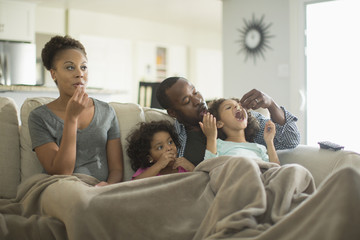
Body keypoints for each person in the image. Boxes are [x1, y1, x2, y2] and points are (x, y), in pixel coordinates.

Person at [28, 35, 124, 186]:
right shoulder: (39, 117)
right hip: (61, 187)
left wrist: (108, 186)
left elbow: (117, 169)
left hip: (101, 191)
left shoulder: (107, 112)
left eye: (83, 67)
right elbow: (61, 172)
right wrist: (71, 119)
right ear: (54, 74)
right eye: (70, 67)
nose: (80, 73)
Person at [156, 76, 300, 166]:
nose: (198, 100)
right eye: (187, 100)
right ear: (173, 112)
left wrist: (271, 105)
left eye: (195, 92)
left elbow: (291, 139)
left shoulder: (232, 117)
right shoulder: (170, 138)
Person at [200, 98, 280, 164]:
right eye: (228, 107)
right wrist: (211, 138)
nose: (236, 107)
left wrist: (269, 141)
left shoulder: (259, 147)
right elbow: (209, 166)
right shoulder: (218, 145)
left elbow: (275, 170)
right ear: (219, 123)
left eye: (238, 105)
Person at [126, 120, 195, 180]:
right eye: (160, 147)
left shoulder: (183, 168)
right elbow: (134, 186)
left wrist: (192, 168)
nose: (169, 148)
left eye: (170, 142)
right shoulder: (147, 172)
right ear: (149, 157)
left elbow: (200, 184)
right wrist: (159, 165)